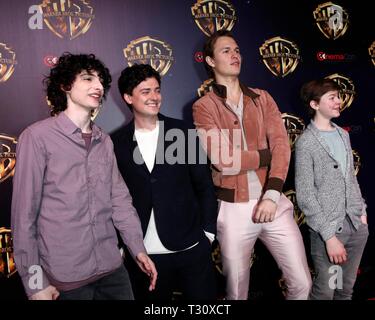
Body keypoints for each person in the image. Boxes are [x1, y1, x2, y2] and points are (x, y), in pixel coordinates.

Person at [11, 53, 157, 300]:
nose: (98, 86)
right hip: (66, 279)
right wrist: (35, 283)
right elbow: (24, 217)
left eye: (101, 81)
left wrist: (138, 250)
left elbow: (120, 202)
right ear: (66, 85)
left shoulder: (105, 141)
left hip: (113, 271)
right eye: (88, 79)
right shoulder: (36, 138)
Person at [192, 30, 311, 300]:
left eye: (237, 50)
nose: (235, 55)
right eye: (226, 51)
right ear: (210, 61)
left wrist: (271, 194)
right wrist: (265, 155)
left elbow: (282, 146)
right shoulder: (203, 106)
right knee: (236, 292)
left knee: (302, 283)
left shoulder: (262, 97)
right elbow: (224, 160)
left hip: (274, 202)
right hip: (233, 210)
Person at [111, 63, 218, 300]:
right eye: (145, 91)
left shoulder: (181, 132)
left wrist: (208, 233)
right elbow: (115, 200)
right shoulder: (115, 143)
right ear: (128, 97)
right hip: (145, 256)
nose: (154, 97)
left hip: (191, 247)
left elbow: (204, 185)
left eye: (157, 90)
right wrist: (123, 246)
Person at [295, 78, 368, 300]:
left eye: (339, 96)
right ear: (315, 104)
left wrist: (362, 212)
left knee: (344, 290)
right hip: (328, 230)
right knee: (325, 291)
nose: (339, 101)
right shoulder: (306, 142)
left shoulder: (342, 134)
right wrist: (329, 238)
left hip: (356, 225)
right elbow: (305, 194)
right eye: (332, 97)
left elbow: (350, 178)